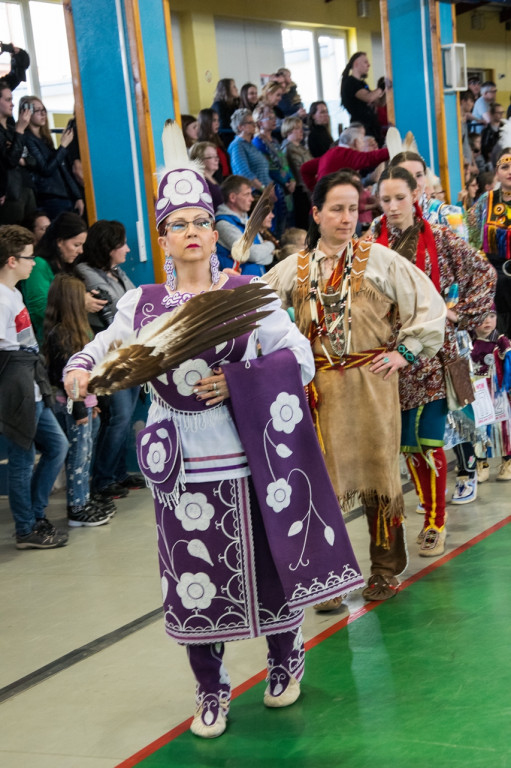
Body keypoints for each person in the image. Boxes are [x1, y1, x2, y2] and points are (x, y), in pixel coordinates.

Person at [63, 131, 363, 738]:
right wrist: (79, 370)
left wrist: (242, 380)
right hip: (182, 467)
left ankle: (285, 659)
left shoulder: (247, 294)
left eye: (203, 220)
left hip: (250, 458)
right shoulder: (143, 305)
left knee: (269, 566)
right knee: (195, 579)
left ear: (212, 230)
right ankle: (210, 689)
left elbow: (300, 358)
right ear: (165, 237)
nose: (194, 231)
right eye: (180, 224)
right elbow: (101, 350)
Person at [264, 171, 447, 600]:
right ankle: (329, 578)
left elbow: (429, 306)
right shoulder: (295, 268)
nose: (347, 218)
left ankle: (384, 567)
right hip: (318, 390)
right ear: (316, 213)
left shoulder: (381, 259)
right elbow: (254, 312)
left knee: (378, 475)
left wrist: (405, 353)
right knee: (320, 482)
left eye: (353, 209)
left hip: (372, 383)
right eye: (337, 209)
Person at [370, 165, 496, 555]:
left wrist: (457, 314)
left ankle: (435, 522)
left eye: (400, 198)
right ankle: (427, 508)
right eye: (385, 199)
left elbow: (484, 273)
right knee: (407, 445)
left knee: (427, 440)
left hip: (433, 353)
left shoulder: (440, 238)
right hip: (390, 355)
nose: (392, 206)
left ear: (416, 197)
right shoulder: (370, 244)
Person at [0, 225, 69, 549]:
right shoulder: (1, 298)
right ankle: (26, 528)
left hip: (33, 387)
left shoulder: (14, 293)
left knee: (57, 447)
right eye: (28, 257)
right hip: (18, 391)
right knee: (22, 459)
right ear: (11, 260)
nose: (34, 263)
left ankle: (36, 515)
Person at [74, 219, 142, 500]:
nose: (127, 249)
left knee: (124, 419)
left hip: (130, 352)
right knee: (119, 416)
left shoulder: (114, 271)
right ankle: (102, 480)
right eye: (121, 244)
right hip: (109, 354)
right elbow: (115, 313)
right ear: (108, 247)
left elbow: (137, 301)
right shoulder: (85, 273)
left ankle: (117, 474)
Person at [43, 274, 112, 527]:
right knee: (77, 457)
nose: (87, 297)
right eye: (82, 293)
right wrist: (81, 409)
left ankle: (84, 498)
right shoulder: (61, 333)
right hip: (74, 406)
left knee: (85, 456)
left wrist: (92, 406)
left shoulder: (77, 329)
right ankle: (77, 507)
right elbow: (66, 378)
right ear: (71, 299)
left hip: (87, 404)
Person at [20, 211, 98, 341]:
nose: (81, 251)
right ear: (60, 241)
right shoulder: (39, 265)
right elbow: (39, 309)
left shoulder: (68, 264)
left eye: (82, 245)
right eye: (76, 245)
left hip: (78, 338)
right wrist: (80, 302)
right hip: (56, 344)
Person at [467, 147, 511, 337]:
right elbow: (470, 238)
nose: (510, 171)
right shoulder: (486, 200)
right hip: (496, 278)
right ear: (497, 172)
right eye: (505, 166)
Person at [20, 95, 85, 219]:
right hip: (50, 198)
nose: (42, 113)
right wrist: (63, 146)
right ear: (27, 113)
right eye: (37, 110)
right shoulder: (27, 138)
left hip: (63, 195)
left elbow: (62, 170)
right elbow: (46, 169)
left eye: (43, 109)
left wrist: (77, 196)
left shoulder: (44, 139)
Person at [215, 175, 276, 274]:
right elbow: (253, 254)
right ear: (232, 197)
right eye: (247, 194)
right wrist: (271, 245)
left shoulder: (247, 220)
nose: (251, 199)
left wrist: (257, 255)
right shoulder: (223, 224)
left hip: (257, 282)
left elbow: (269, 258)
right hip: (240, 286)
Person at [301, 124, 389, 192]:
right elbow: (370, 158)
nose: (362, 144)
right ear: (356, 142)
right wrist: (392, 149)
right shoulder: (346, 154)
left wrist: (316, 189)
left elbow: (305, 168)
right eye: (362, 141)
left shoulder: (332, 153)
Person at [252, 105, 295, 238]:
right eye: (269, 118)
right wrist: (284, 181)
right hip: (273, 186)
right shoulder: (257, 142)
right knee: (276, 224)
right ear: (260, 122)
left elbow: (284, 163)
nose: (273, 120)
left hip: (285, 186)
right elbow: (268, 166)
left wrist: (292, 179)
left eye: (274, 117)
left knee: (288, 223)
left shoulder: (275, 142)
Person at [0, 80, 36, 225]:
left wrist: (21, 158)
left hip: (27, 188)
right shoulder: (16, 130)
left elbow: (32, 160)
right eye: (8, 100)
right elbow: (10, 161)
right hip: (10, 194)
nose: (12, 104)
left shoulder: (11, 129)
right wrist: (20, 130)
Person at [340, 52, 384, 145]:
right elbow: (369, 98)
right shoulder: (350, 83)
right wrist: (382, 86)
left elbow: (379, 102)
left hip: (372, 129)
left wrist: (387, 91)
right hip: (362, 131)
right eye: (365, 62)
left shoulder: (363, 84)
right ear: (356, 64)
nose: (369, 65)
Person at [228, 108, 271, 192]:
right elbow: (244, 173)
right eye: (250, 123)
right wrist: (264, 189)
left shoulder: (250, 145)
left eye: (254, 122)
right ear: (240, 127)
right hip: (252, 194)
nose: (254, 125)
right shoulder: (237, 145)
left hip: (264, 193)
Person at [280, 116, 311, 229]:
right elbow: (300, 169)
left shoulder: (302, 148)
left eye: (301, 127)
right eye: (297, 128)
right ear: (289, 130)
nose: (301, 131)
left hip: (307, 188)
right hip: (298, 189)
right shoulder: (288, 148)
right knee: (302, 223)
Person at [189, 141, 223, 211]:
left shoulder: (211, 178)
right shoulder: (199, 182)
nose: (217, 159)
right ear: (199, 160)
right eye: (211, 157)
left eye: (216, 156)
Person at [197, 108, 230, 179]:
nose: (217, 123)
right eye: (214, 120)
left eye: (218, 120)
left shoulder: (219, 140)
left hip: (226, 179)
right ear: (206, 122)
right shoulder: (201, 144)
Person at [211, 78, 239, 148]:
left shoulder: (234, 104)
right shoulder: (219, 105)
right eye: (234, 86)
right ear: (226, 89)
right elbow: (223, 125)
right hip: (225, 140)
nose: (237, 89)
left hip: (233, 137)